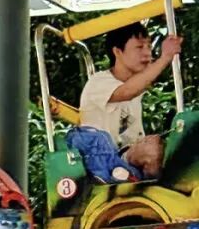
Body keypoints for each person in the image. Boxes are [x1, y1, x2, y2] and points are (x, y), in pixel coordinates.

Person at [78, 23, 182, 178]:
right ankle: (152, 189)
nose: (147, 53)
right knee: (152, 149)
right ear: (117, 52)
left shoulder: (136, 86)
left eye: (149, 46)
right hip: (105, 161)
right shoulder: (99, 83)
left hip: (127, 156)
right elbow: (127, 91)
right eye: (139, 47)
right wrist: (165, 57)